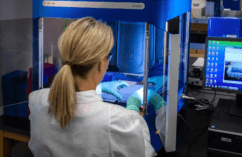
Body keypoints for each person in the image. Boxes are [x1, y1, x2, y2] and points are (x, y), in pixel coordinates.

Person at [28, 17, 157, 157]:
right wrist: (133, 107)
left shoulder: (36, 101)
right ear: (102, 63)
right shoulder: (122, 122)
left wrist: (100, 87)